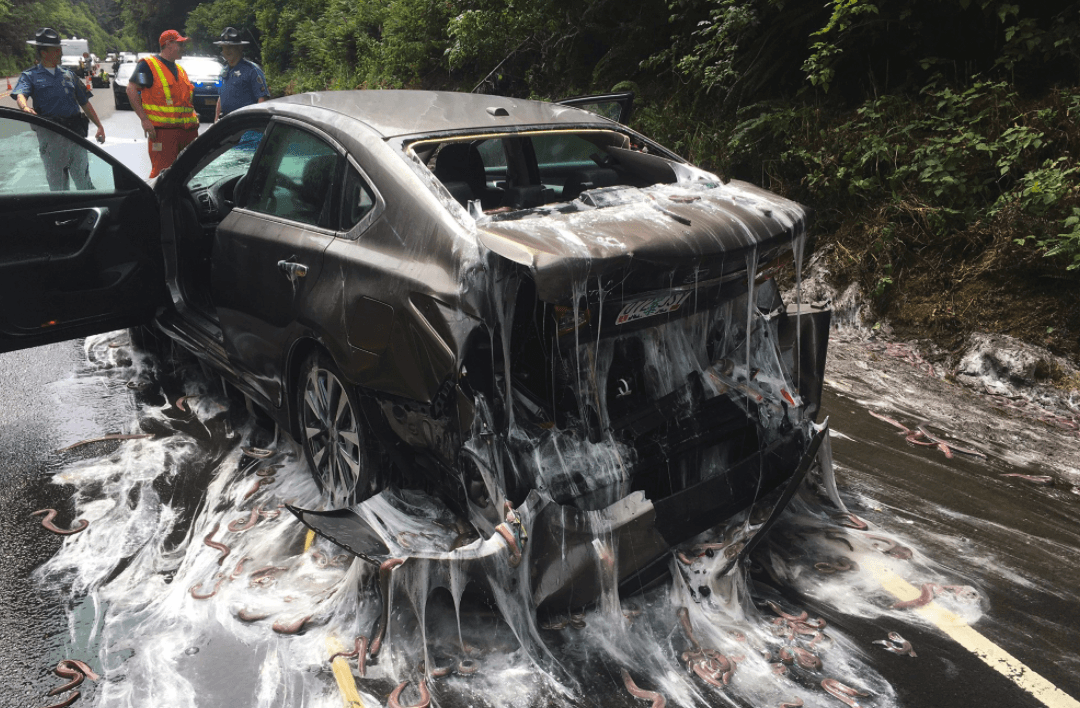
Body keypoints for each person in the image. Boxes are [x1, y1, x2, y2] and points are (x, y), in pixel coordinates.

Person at [11, 28, 106, 191]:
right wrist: (25, 107)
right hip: (51, 137)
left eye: (59, 49)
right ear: (43, 53)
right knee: (58, 187)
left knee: (84, 183)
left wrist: (99, 126)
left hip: (75, 135)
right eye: (56, 50)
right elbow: (21, 94)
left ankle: (89, 211)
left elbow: (85, 102)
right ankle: (63, 216)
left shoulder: (69, 75)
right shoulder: (30, 76)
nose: (60, 53)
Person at [127, 29, 200, 179]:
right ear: (168, 45)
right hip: (163, 134)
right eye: (179, 44)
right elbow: (131, 89)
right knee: (163, 177)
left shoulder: (181, 70)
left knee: (188, 177)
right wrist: (144, 120)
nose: (183, 48)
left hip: (187, 133)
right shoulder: (148, 65)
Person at [213, 27, 270, 121]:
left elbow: (262, 99)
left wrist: (257, 123)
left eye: (230, 47)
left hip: (245, 123)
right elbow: (221, 96)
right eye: (224, 47)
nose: (227, 51)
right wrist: (216, 120)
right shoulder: (224, 70)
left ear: (240, 47)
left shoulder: (252, 70)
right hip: (227, 123)